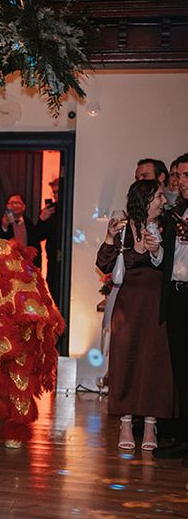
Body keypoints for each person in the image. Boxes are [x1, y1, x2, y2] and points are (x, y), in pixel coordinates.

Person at [96, 180, 174, 450]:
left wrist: (157, 252)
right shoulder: (123, 229)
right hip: (128, 305)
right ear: (146, 199)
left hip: (156, 304)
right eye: (159, 196)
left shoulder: (168, 227)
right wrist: (108, 236)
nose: (164, 201)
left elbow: (174, 267)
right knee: (125, 359)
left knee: (153, 361)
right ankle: (126, 423)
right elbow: (103, 264)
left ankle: (151, 426)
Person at [154, 152, 188, 464]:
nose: (181, 181)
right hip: (176, 295)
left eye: (186, 175)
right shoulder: (177, 211)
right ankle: (182, 440)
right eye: (179, 176)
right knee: (181, 372)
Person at [0, 193, 42, 267]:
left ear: (23, 207)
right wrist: (4, 226)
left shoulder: (30, 224)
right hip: (7, 267)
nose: (14, 206)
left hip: (27, 267)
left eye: (17, 203)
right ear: (7, 206)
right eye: (11, 203)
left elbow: (36, 248)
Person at [36, 177, 60, 300]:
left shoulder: (71, 209)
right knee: (53, 290)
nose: (55, 195)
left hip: (69, 259)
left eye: (57, 192)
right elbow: (39, 236)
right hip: (52, 259)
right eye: (53, 192)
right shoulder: (49, 211)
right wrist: (42, 220)